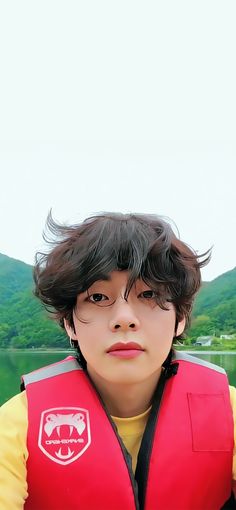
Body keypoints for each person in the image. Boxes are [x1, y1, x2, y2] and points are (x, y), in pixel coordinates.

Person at [0, 211, 236, 510]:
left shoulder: (229, 412)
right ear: (70, 323)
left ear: (180, 318)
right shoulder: (16, 424)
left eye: (149, 294)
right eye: (97, 298)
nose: (124, 319)